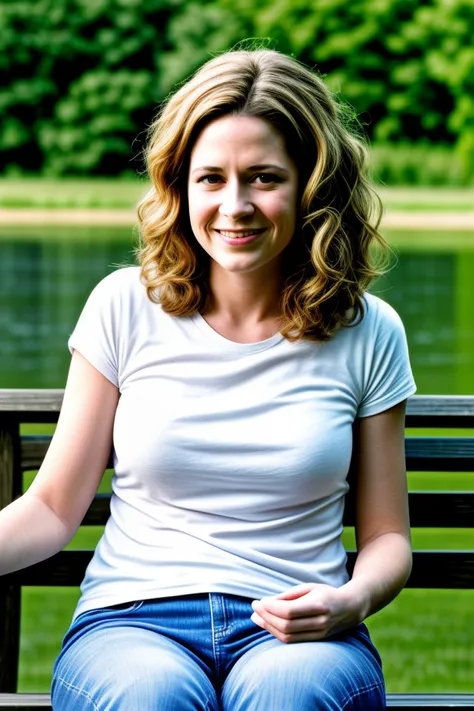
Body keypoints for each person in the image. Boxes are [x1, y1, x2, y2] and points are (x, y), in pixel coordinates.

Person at [0, 47, 416, 710]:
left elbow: (388, 534)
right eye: (211, 178)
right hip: (131, 623)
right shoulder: (123, 305)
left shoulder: (368, 330)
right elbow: (52, 508)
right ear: (180, 184)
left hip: (299, 637)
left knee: (286, 696)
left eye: (263, 177)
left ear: (311, 184)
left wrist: (350, 599)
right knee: (148, 698)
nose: (235, 204)